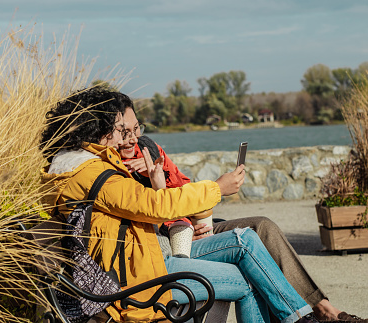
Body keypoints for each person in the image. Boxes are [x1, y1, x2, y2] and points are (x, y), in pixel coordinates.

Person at [39, 87, 321, 323]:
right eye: (118, 130)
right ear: (97, 129)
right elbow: (154, 205)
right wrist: (217, 188)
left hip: (145, 263)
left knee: (245, 238)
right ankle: (300, 317)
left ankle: (300, 315)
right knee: (247, 281)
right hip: (139, 283)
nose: (125, 137)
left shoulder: (80, 170)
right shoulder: (93, 174)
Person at [116, 93, 367, 323]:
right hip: (171, 242)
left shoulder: (147, 147)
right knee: (247, 246)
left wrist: (161, 175)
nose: (132, 138)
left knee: (263, 226)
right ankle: (307, 316)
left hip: (191, 224)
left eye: (136, 128)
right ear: (110, 133)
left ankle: (326, 310)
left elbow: (184, 187)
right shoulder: (113, 172)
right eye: (124, 132)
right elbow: (148, 218)